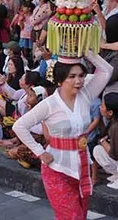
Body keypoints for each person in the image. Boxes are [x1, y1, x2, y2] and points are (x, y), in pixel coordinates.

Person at [13, 52, 113, 219]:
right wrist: (40, 152)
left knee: (80, 215)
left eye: (81, 75)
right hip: (57, 168)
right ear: (60, 79)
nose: (79, 81)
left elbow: (107, 70)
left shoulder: (85, 96)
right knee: (71, 216)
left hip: (81, 166)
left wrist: (85, 50)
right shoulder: (49, 104)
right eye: (72, 76)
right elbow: (20, 125)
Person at [94, 92, 118, 189]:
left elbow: (114, 155)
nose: (100, 107)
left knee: (97, 150)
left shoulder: (116, 127)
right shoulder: (113, 122)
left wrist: (103, 142)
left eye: (103, 106)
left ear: (110, 112)